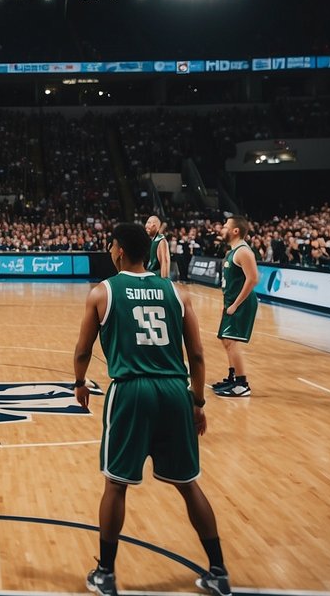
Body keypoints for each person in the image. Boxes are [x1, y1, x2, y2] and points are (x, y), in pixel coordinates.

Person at [72, 222, 231, 596]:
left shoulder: (103, 292)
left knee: (116, 485)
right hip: (175, 391)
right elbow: (196, 354)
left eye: (112, 246)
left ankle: (106, 574)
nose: (111, 251)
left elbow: (83, 350)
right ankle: (219, 570)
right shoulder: (177, 293)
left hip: (131, 391)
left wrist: (79, 382)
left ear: (121, 251)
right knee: (189, 485)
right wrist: (197, 400)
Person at [213, 217, 259, 398]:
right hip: (231, 302)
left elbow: (253, 279)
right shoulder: (232, 251)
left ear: (235, 231)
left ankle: (242, 384)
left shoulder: (243, 252)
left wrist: (235, 304)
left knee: (231, 342)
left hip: (242, 303)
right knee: (226, 340)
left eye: (225, 226)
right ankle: (233, 378)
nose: (221, 228)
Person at [145, 215, 171, 279]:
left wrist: (164, 282)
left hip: (156, 279)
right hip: (150, 276)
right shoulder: (154, 240)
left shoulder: (161, 241)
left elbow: (165, 262)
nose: (146, 225)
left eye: (149, 222)